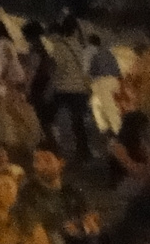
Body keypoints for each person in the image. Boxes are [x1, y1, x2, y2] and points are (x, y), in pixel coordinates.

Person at [41, 16, 93, 161]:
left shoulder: (60, 46)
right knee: (78, 121)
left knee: (47, 116)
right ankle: (83, 151)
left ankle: (53, 146)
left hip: (64, 88)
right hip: (80, 88)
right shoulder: (80, 46)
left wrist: (49, 89)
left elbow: (57, 69)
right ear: (75, 30)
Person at [90, 35, 124, 139]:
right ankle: (117, 129)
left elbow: (92, 72)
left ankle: (113, 132)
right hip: (115, 81)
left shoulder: (94, 55)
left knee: (105, 107)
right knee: (114, 107)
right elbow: (118, 70)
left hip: (103, 81)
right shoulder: (110, 54)